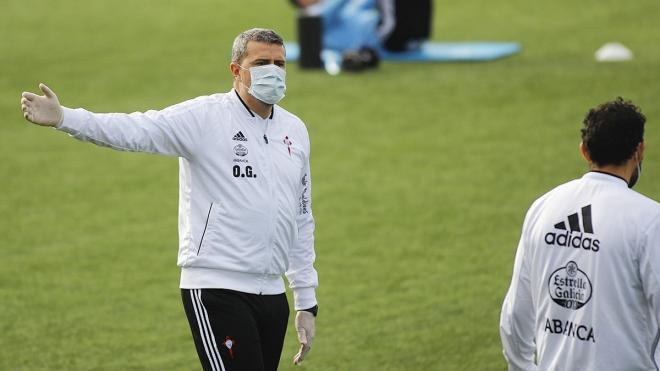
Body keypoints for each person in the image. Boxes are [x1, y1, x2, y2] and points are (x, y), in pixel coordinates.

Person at [20, 28, 318, 371]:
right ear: (236, 70)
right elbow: (136, 131)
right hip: (217, 288)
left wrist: (306, 299)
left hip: (273, 294)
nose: (273, 71)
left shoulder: (294, 130)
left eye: (279, 63)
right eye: (261, 62)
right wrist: (64, 118)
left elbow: (300, 216)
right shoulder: (205, 118)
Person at [500, 98, 660, 370]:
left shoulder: (544, 207)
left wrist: (524, 367)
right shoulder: (650, 220)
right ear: (640, 151)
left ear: (584, 151)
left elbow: (515, 315)